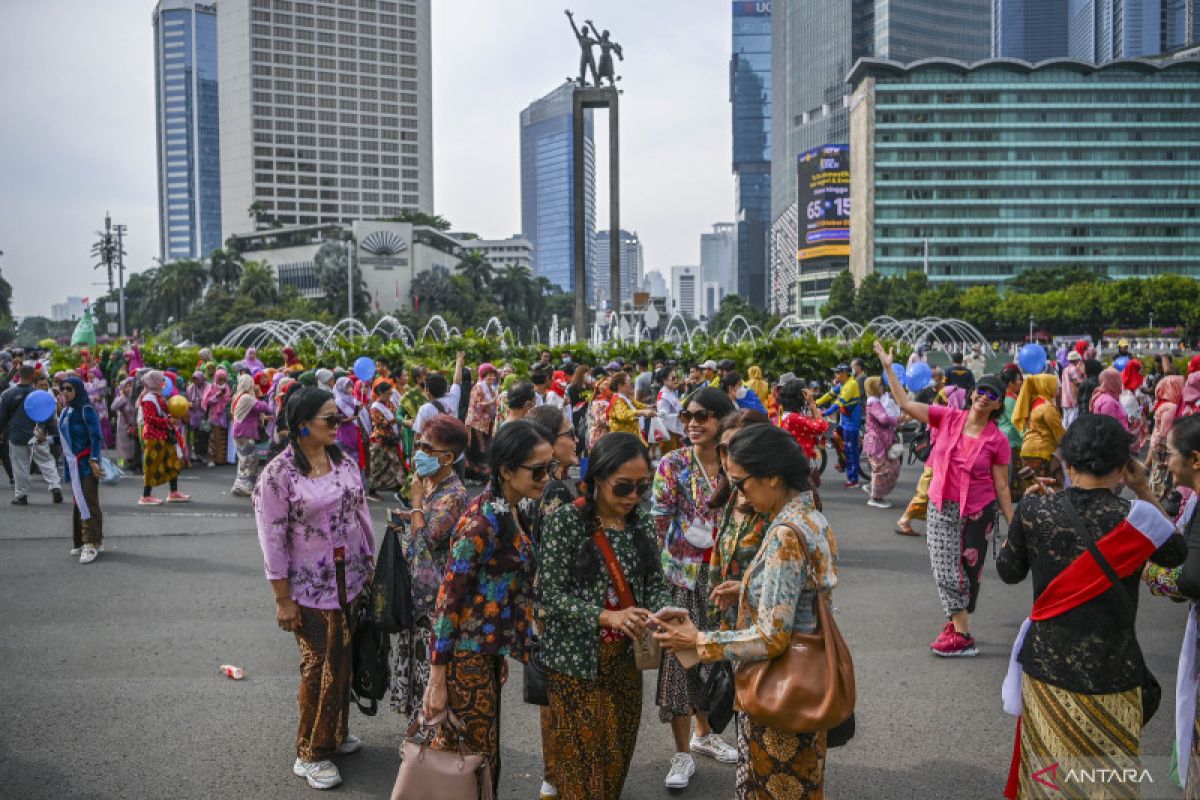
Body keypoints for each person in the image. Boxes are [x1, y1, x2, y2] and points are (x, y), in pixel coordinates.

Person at [996, 414, 1184, 800]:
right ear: (1122, 466)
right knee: (1108, 785)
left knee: (1049, 782)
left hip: (1048, 673)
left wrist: (1024, 521)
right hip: (1114, 673)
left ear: (1065, 461)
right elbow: (1176, 552)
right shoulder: (1140, 518)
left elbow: (1008, 571)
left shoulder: (1034, 511)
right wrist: (1143, 488)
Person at [654, 423, 837, 800]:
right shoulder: (811, 517)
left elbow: (771, 636)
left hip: (779, 690)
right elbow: (804, 593)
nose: (737, 492)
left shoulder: (786, 533)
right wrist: (751, 588)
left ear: (772, 476)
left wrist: (699, 640)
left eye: (741, 483)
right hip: (804, 683)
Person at [422, 420, 554, 795]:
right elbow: (449, 601)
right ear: (507, 471)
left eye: (551, 469)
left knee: (481, 757)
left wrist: (501, 649)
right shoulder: (481, 522)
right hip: (465, 659)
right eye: (539, 470)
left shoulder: (509, 508)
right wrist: (437, 680)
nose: (548, 478)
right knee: (470, 761)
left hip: (485, 655)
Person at [538, 433, 673, 800]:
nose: (633, 496)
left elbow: (655, 584)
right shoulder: (565, 521)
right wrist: (606, 617)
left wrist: (660, 613)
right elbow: (549, 596)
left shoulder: (642, 523)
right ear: (597, 479)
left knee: (615, 759)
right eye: (623, 487)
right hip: (574, 665)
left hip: (626, 664)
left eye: (641, 487)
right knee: (581, 770)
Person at [253, 387, 375, 791]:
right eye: (330, 419)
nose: (338, 424)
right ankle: (310, 752)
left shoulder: (342, 460)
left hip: (350, 580)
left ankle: (334, 734)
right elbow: (271, 539)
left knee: (343, 661)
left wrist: (371, 564)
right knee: (319, 666)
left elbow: (361, 514)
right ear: (302, 425)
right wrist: (281, 599)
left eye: (339, 417)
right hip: (308, 590)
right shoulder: (278, 475)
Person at [877, 341, 1013, 657]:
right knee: (945, 567)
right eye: (981, 391)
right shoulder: (949, 417)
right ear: (972, 393)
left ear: (997, 405)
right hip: (942, 506)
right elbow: (907, 405)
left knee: (968, 571)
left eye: (992, 395)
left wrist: (1013, 528)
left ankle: (957, 622)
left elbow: (1003, 487)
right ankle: (963, 635)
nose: (984, 397)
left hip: (978, 511)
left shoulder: (998, 441)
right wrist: (888, 367)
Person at [651, 386, 739, 789]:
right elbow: (659, 520)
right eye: (687, 416)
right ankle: (682, 752)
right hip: (682, 576)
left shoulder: (733, 464)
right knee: (679, 663)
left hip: (725, 578)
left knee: (716, 659)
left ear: (723, 419)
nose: (692, 423)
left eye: (702, 416)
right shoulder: (673, 463)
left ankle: (705, 734)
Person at [388, 414, 469, 723]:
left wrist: (417, 503)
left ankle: (429, 736)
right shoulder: (435, 485)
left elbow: (428, 539)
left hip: (434, 599)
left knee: (428, 667)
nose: (417, 451)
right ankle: (417, 731)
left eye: (425, 446)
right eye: (418, 443)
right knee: (417, 657)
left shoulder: (454, 495)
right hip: (419, 594)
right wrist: (408, 515)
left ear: (447, 457)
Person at [709, 410, 771, 629]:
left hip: (764, 634)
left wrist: (745, 588)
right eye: (723, 450)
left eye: (738, 450)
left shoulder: (776, 507)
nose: (728, 460)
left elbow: (797, 586)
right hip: (729, 629)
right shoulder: (731, 495)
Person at [0, 364, 63, 505]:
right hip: (38, 433)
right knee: (46, 461)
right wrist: (54, 434)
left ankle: (21, 495)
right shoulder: (41, 395)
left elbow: (2, 417)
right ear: (33, 376)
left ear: (19, 375)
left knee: (20, 465)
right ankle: (55, 486)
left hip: (16, 435)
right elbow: (49, 417)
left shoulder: (8, 394)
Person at [58, 377, 105, 564]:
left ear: (78, 389)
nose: (65, 392)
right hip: (73, 465)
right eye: (62, 389)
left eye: (69, 388)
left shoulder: (86, 409)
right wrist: (45, 438)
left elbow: (96, 436)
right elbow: (64, 437)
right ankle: (85, 541)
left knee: (88, 502)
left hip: (86, 464)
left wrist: (94, 460)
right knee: (79, 503)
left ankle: (91, 544)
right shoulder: (67, 411)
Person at [139, 371, 189, 506]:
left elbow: (166, 412)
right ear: (154, 382)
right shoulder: (148, 399)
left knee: (172, 463)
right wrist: (168, 422)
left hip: (164, 435)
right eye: (161, 380)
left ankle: (173, 493)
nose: (164, 383)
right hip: (153, 437)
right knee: (152, 466)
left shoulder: (158, 396)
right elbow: (149, 419)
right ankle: (145, 495)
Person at [1011, 374, 1066, 493]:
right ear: (1046, 387)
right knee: (1049, 486)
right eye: (1054, 385)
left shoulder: (1034, 402)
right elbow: (1059, 433)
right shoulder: (1047, 408)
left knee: (1033, 487)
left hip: (1028, 450)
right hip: (1041, 452)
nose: (1057, 388)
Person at [819, 364, 863, 488]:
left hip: (851, 424)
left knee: (850, 451)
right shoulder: (843, 384)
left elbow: (839, 403)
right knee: (834, 436)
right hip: (844, 421)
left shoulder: (851, 384)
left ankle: (853, 480)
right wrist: (815, 402)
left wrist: (824, 412)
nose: (835, 375)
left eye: (838, 372)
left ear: (844, 373)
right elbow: (829, 394)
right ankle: (843, 462)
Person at [863, 376, 901, 509]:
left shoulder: (876, 402)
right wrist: (896, 419)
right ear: (873, 388)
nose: (882, 388)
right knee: (881, 469)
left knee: (888, 466)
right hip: (876, 441)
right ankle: (875, 497)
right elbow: (883, 418)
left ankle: (874, 489)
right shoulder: (874, 403)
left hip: (879, 441)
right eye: (879, 385)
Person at [230, 374, 270, 497]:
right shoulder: (247, 397)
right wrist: (261, 395)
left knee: (243, 460)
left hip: (239, 431)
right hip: (245, 432)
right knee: (250, 459)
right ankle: (245, 486)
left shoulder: (238, 395)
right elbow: (264, 407)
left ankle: (239, 485)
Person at [1148, 375, 1185, 501]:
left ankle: (1153, 498)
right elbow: (1166, 431)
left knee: (1157, 473)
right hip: (1164, 445)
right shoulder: (1171, 407)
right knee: (1162, 475)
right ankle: (1156, 501)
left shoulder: (1162, 404)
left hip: (1156, 444)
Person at [414, 353, 466, 439]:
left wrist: (415, 451)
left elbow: (418, 434)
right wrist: (458, 363)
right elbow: (457, 382)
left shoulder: (425, 409)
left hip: (436, 449)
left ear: (427, 391)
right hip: (454, 445)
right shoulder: (453, 398)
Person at [368, 381, 403, 500]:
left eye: (390, 394)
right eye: (388, 394)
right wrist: (396, 420)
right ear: (380, 393)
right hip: (380, 441)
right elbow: (380, 422)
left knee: (395, 463)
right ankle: (372, 491)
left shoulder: (388, 404)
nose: (390, 396)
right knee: (378, 467)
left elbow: (395, 415)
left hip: (390, 440)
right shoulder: (374, 407)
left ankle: (401, 489)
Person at [465, 363, 499, 482]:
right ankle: (476, 475)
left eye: (494, 376)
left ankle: (482, 475)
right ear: (483, 376)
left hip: (487, 422)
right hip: (476, 423)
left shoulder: (492, 388)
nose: (492, 378)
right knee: (478, 448)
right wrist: (491, 402)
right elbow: (475, 404)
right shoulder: (478, 387)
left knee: (484, 448)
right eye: (489, 375)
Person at [607, 372, 655, 440]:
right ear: (620, 386)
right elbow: (623, 414)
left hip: (632, 437)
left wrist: (650, 407)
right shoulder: (618, 400)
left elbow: (637, 405)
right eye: (629, 381)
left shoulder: (626, 397)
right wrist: (642, 412)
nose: (632, 383)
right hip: (624, 441)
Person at [202, 368, 232, 466]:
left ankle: (221, 459)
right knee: (213, 438)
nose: (222, 381)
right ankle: (211, 459)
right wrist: (217, 395)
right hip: (214, 415)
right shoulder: (211, 387)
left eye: (224, 379)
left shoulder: (226, 387)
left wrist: (223, 396)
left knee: (222, 436)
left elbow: (228, 398)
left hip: (223, 415)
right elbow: (207, 401)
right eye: (220, 379)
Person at [1090, 367, 1129, 433]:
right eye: (1118, 379)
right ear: (1112, 382)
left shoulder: (1110, 396)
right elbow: (1109, 428)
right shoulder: (1108, 402)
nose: (1121, 382)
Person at [655, 366, 685, 454]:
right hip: (668, 433)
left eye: (677, 377)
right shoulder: (664, 396)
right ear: (665, 380)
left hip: (674, 432)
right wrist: (679, 415)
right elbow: (663, 416)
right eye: (673, 378)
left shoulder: (670, 392)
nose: (676, 380)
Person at [1061, 351, 1084, 427]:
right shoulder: (1074, 369)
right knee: (1072, 420)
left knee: (1065, 419)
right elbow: (1075, 384)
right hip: (1072, 398)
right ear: (1076, 360)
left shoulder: (1065, 369)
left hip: (1065, 398)